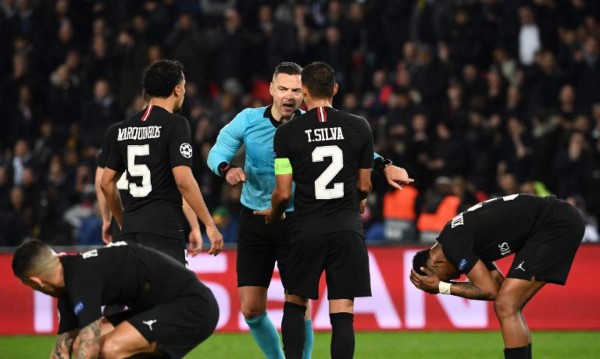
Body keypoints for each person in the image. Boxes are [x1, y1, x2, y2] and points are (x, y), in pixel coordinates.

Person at [207, 62, 413, 359]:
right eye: (283, 89)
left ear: (303, 92)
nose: (289, 97)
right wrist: (227, 169)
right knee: (251, 309)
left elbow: (355, 147)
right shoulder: (248, 120)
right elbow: (217, 152)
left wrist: (385, 164)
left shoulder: (305, 125)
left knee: (298, 302)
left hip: (297, 219)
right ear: (271, 90)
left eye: (294, 90)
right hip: (255, 220)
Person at [264, 61, 374, 359]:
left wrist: (275, 215)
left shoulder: (286, 134)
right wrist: (358, 200)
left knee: (295, 302)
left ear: (305, 92)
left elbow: (283, 193)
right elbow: (364, 185)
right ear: (335, 89)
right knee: (343, 310)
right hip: (347, 229)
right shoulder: (359, 126)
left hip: (305, 229)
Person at [410, 194, 584, 359]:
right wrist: (443, 286)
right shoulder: (456, 238)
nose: (457, 275)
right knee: (507, 304)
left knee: (506, 305)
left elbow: (489, 291)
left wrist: (441, 287)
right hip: (552, 220)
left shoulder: (454, 245)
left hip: (553, 223)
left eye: (445, 277)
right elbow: (498, 286)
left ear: (436, 262)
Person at [101, 59, 223, 265]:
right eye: (183, 87)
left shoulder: (123, 128)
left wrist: (123, 221)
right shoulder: (176, 124)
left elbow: (106, 182)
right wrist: (208, 224)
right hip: (164, 230)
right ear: (177, 89)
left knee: (139, 296)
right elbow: (183, 180)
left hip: (131, 232)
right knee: (172, 295)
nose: (184, 93)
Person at [12, 239, 219, 359]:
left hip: (193, 306)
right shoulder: (68, 283)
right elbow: (62, 351)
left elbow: (91, 346)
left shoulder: (81, 277)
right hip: (160, 306)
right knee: (78, 345)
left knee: (108, 348)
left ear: (36, 281)